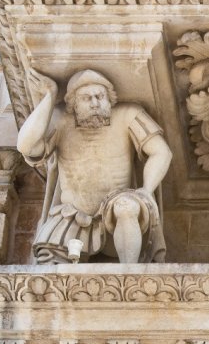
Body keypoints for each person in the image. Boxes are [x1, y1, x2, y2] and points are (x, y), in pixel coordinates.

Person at [17, 68, 172, 264]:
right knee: (49, 275)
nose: (95, 103)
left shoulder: (128, 114)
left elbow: (162, 152)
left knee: (127, 206)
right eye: (86, 98)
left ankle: (131, 273)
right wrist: (49, 97)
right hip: (71, 215)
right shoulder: (61, 120)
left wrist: (146, 191)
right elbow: (26, 146)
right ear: (73, 103)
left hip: (118, 210)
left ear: (109, 99)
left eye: (100, 96)